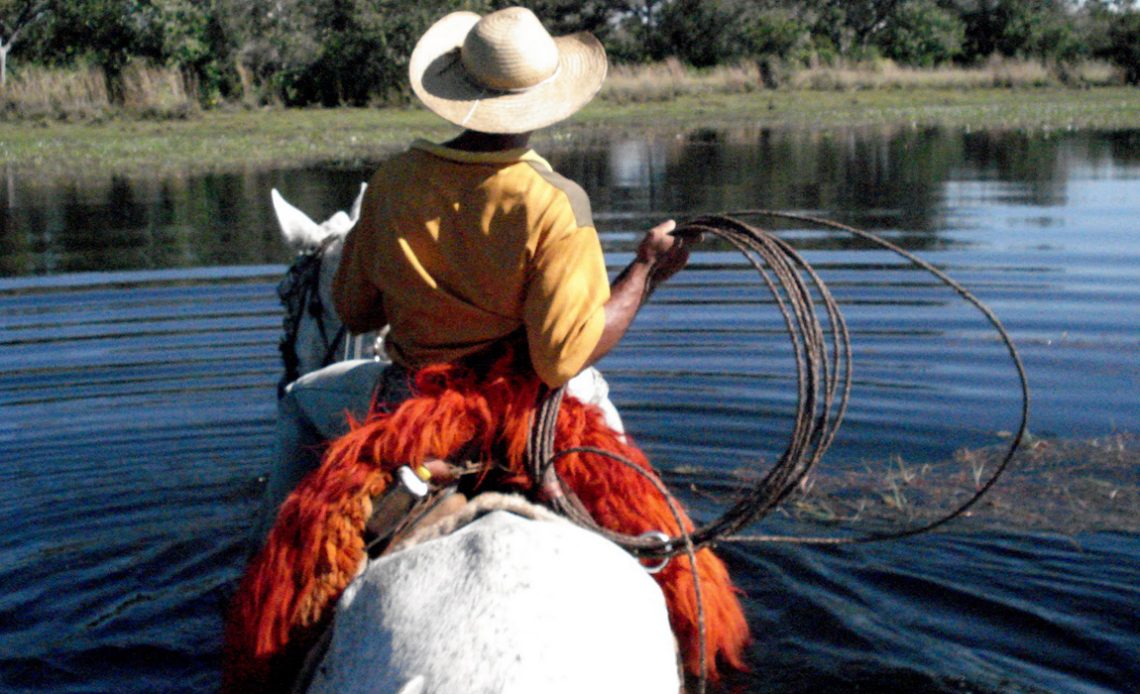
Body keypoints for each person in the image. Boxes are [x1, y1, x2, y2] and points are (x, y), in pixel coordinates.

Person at [233, 7, 749, 687]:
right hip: (532, 415)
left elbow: (352, 308)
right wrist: (644, 273)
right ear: (544, 102)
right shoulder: (554, 202)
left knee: (303, 408)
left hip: (410, 408)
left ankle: (264, 568)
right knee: (672, 558)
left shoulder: (393, 183)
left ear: (457, 89)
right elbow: (563, 359)